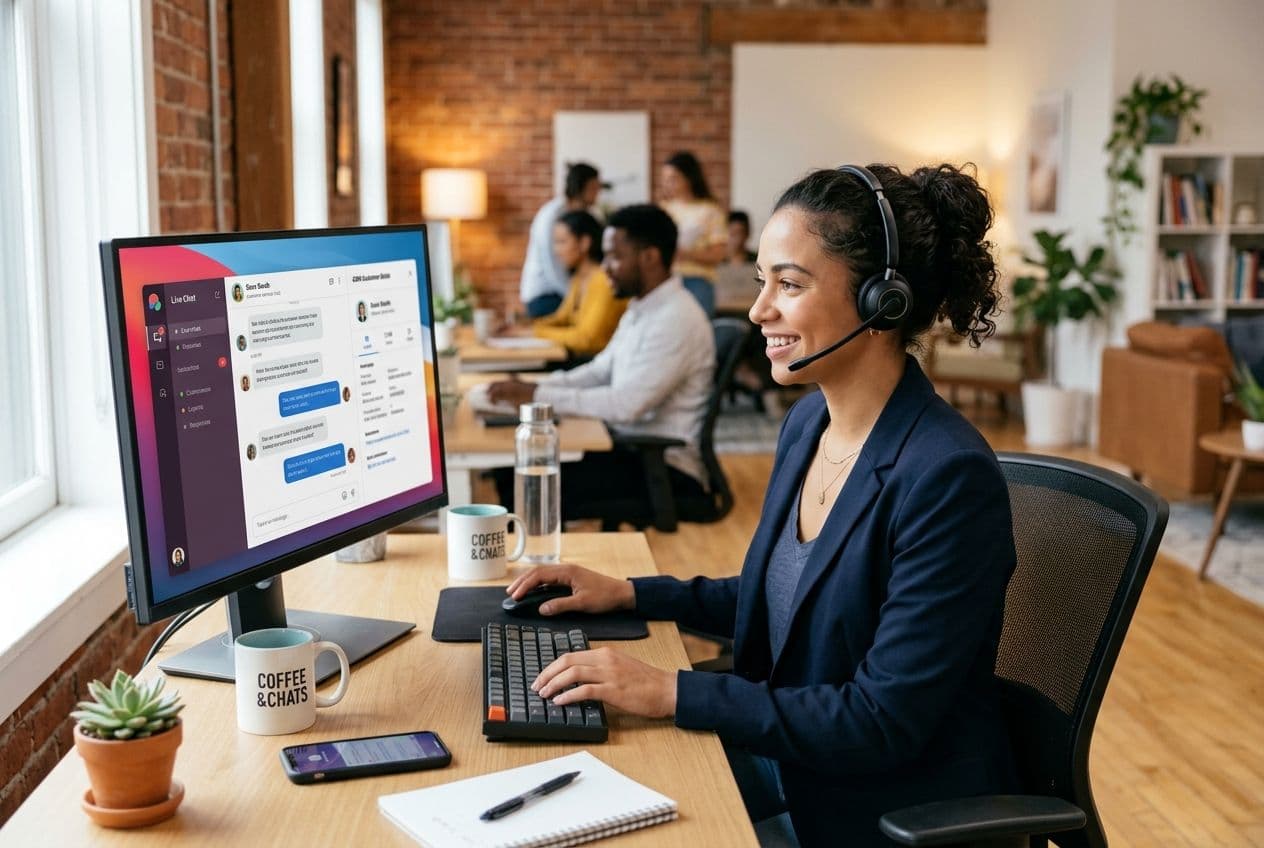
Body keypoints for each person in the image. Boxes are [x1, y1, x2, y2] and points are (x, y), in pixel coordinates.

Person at [506, 164, 1018, 846]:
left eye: (790, 284)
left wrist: (670, 692)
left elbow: (879, 719)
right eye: (761, 282)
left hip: (868, 803)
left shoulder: (946, 477)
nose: (758, 310)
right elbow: (789, 597)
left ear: (881, 301)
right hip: (792, 753)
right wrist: (630, 593)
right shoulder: (809, 425)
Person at [488, 204, 714, 515]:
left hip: (660, 467)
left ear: (649, 257)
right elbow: (599, 370)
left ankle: (535, 561)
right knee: (513, 466)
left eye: (614, 256)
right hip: (629, 448)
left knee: (521, 477)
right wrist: (535, 386)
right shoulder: (642, 308)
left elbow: (625, 405)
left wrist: (539, 396)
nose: (604, 267)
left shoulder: (676, 318)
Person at [531, 210, 628, 358]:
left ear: (584, 243)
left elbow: (587, 340)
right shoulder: (579, 278)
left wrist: (537, 333)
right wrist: (528, 328)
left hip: (594, 363)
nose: (557, 251)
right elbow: (562, 318)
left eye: (562, 242)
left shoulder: (604, 281)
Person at [520, 162, 603, 318]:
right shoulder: (550, 216)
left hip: (569, 291)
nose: (598, 192)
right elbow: (552, 264)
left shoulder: (591, 215)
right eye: (594, 187)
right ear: (581, 187)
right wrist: (577, 299)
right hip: (545, 294)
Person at [660, 151, 726, 317]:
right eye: (665, 178)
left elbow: (718, 255)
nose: (667, 183)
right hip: (667, 281)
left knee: (698, 332)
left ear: (688, 178)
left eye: (673, 178)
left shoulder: (710, 210)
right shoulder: (663, 210)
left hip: (698, 281)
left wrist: (685, 254)